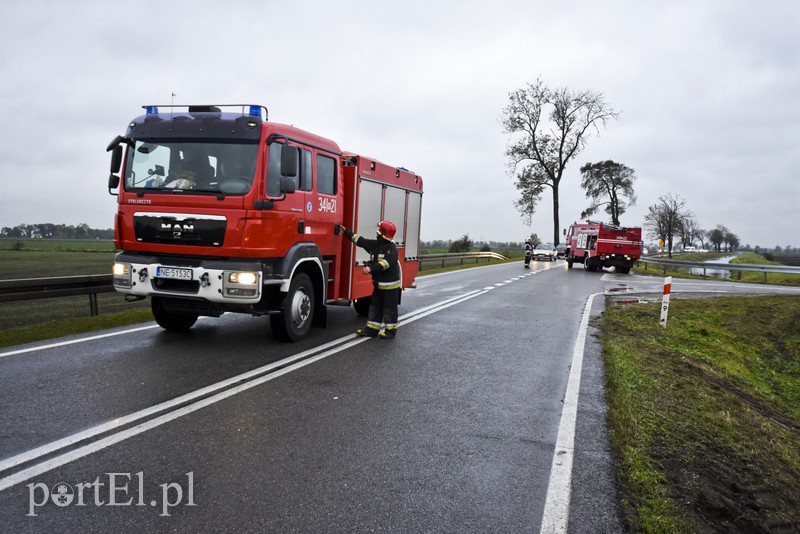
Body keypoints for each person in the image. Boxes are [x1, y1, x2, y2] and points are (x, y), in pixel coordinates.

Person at [335, 220, 401, 339]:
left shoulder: (391, 249)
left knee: (389, 309)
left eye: (379, 230)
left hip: (390, 287)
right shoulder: (376, 245)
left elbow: (385, 264)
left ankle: (390, 332)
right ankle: (372, 330)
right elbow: (360, 241)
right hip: (379, 285)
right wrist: (346, 232)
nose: (377, 232)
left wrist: (370, 268)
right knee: (374, 307)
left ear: (382, 233)